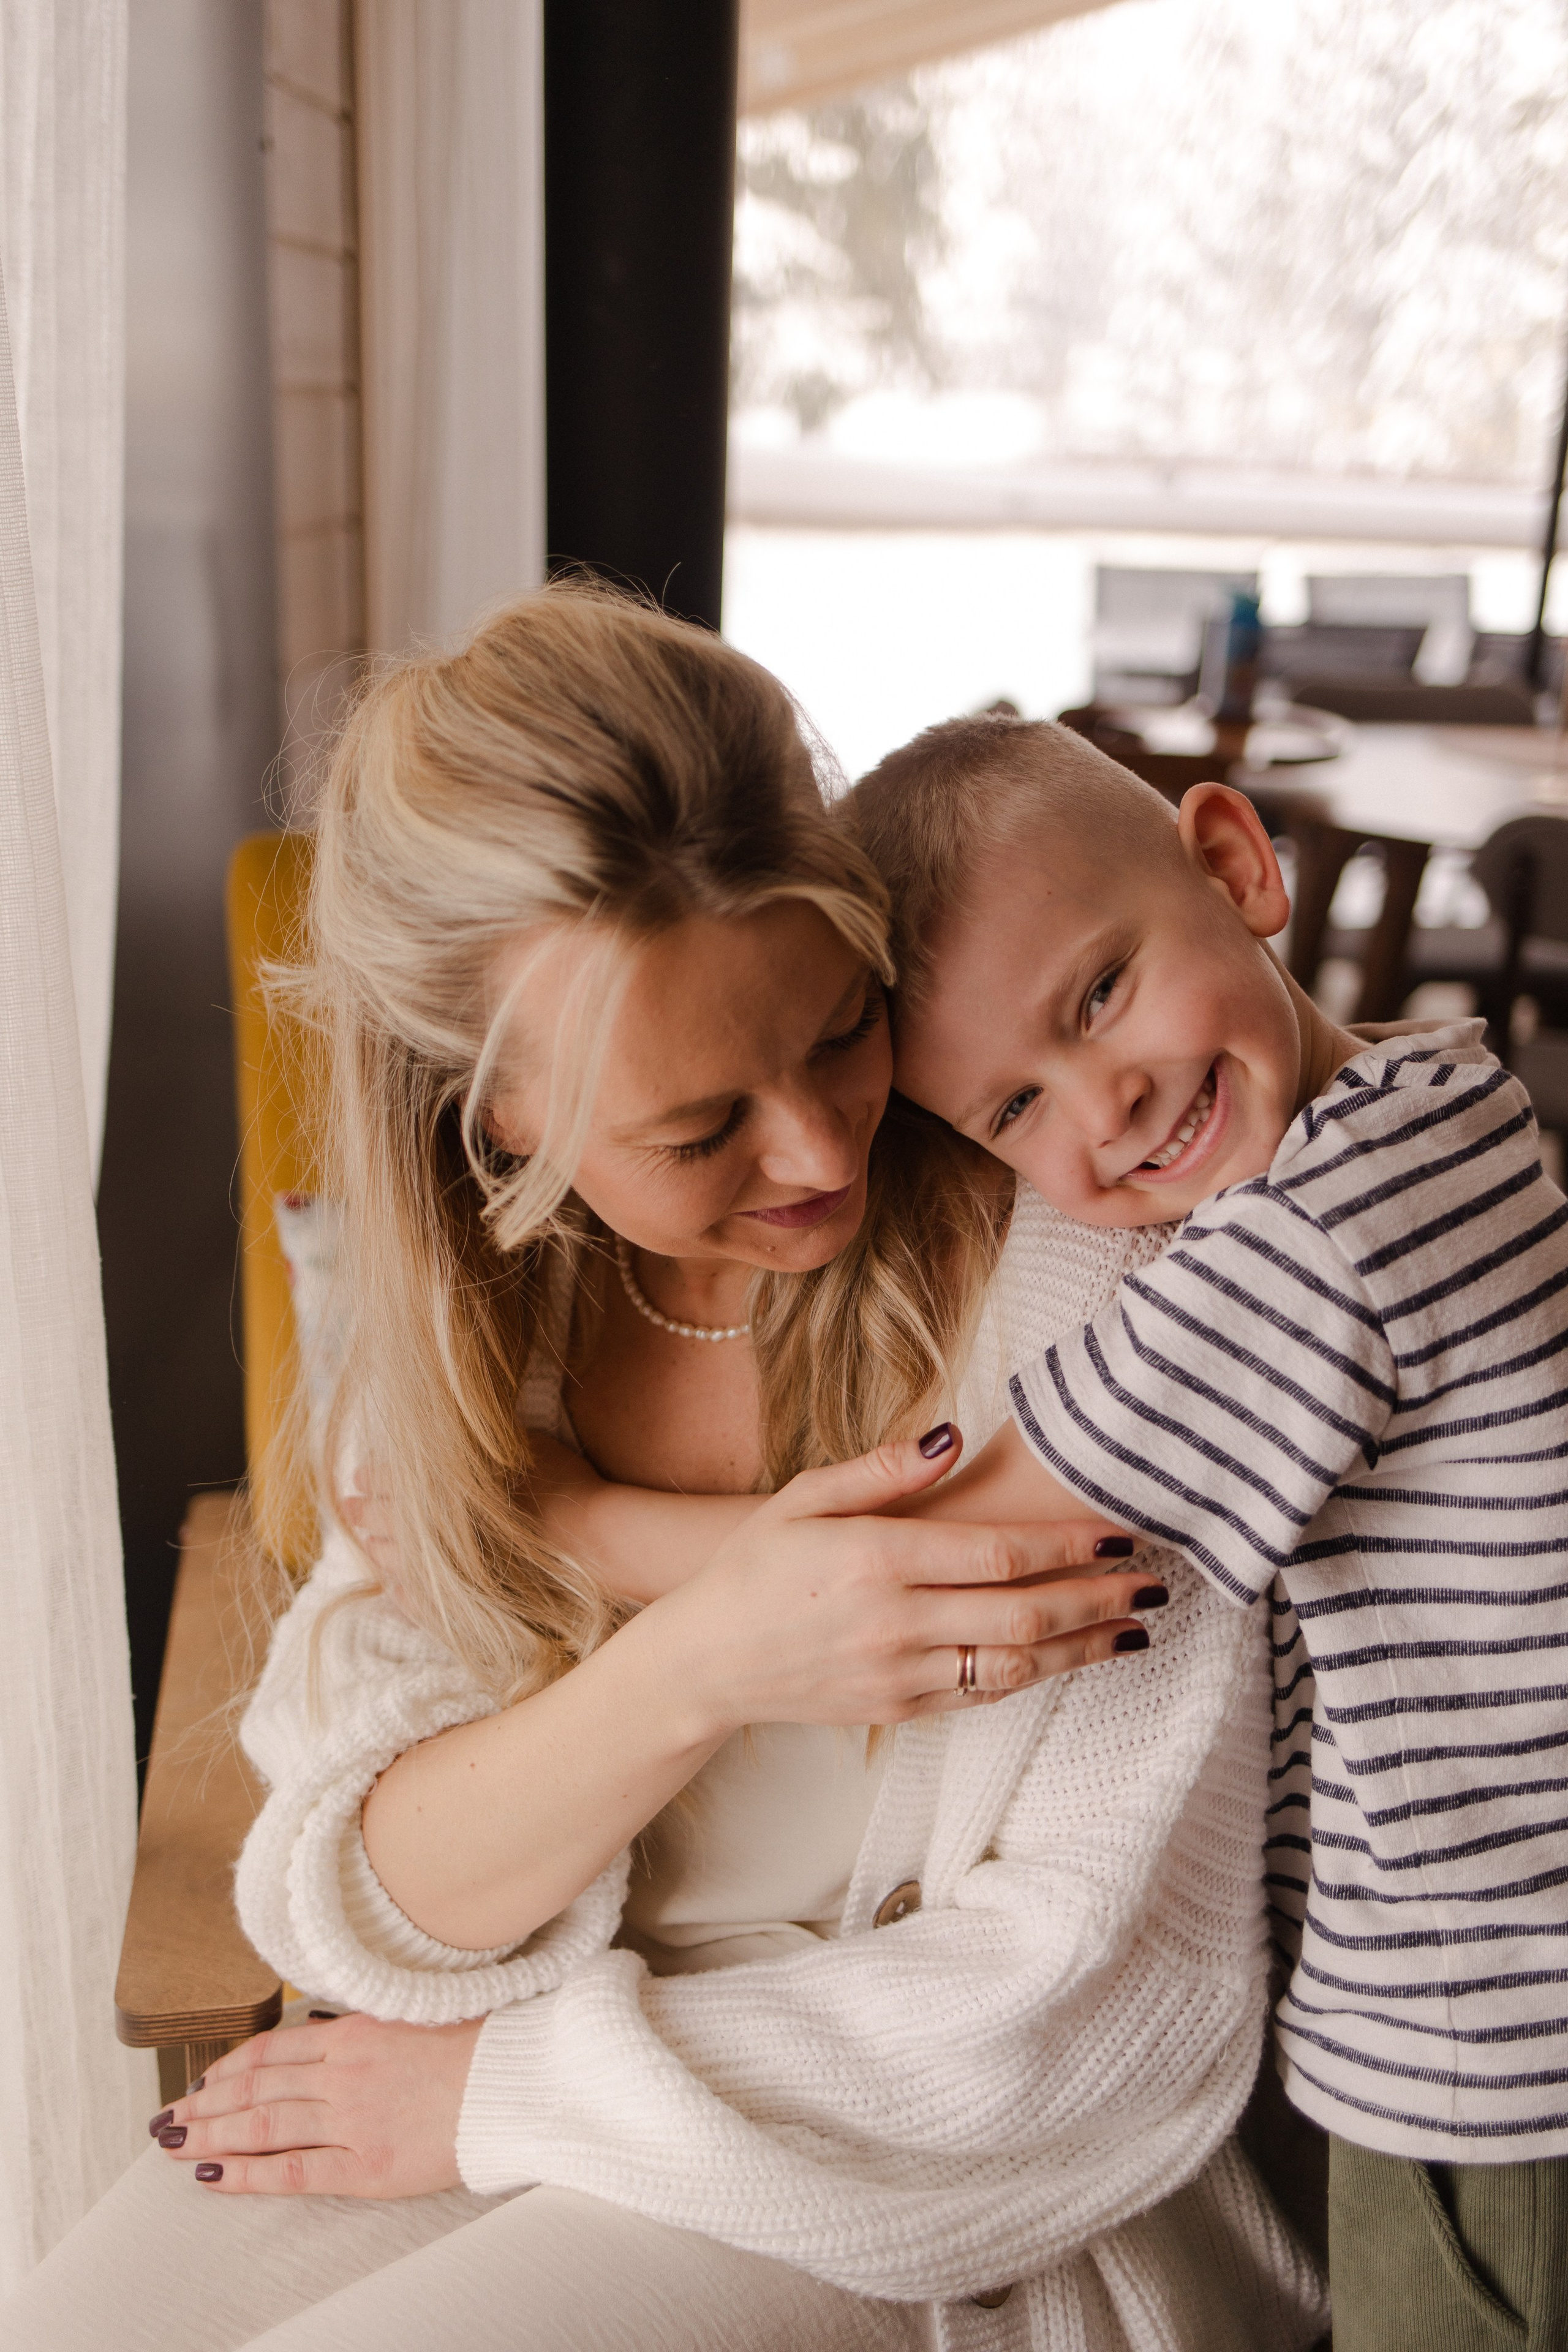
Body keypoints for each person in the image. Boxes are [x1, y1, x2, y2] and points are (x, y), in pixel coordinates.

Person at [4, 594, 1325, 2352]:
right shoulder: (481, 1339)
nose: (819, 1146)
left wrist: (498, 2091)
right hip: (554, 2076)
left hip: (955, 2188)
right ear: (497, 1124)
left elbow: (1083, 2022)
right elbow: (362, 1897)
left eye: (843, 1026)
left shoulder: (1099, 1246)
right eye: (699, 1128)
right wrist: (704, 1656)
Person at [846, 711, 1568, 2352]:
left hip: (1497, 2043)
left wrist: (575, 1520)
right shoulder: (1429, 1098)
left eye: (1098, 994)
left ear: (1240, 866)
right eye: (1018, 1109)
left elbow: (946, 1547)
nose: (1110, 1105)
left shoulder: (1325, 1235)